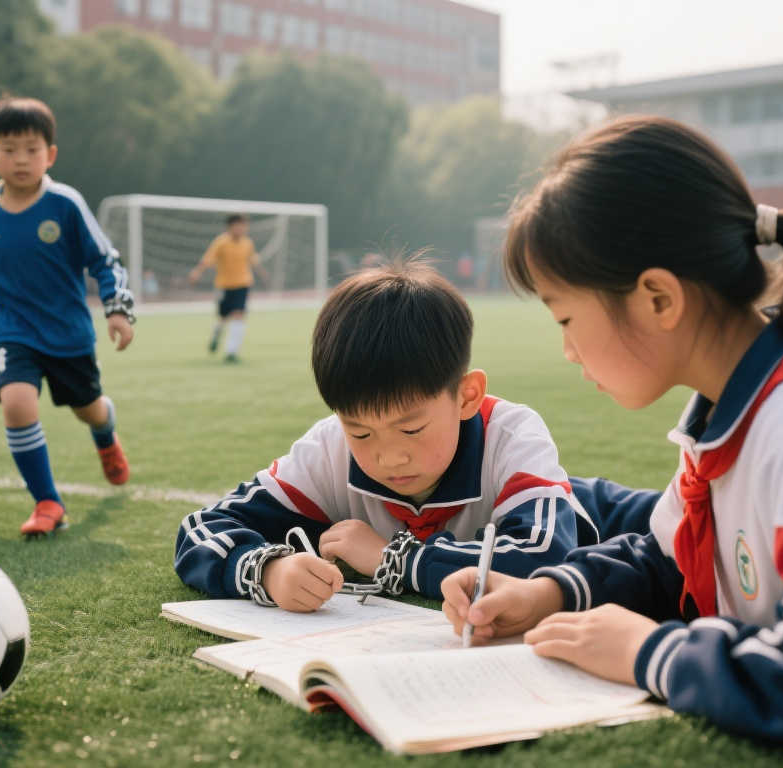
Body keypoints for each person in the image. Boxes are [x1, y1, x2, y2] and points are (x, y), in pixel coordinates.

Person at [440, 116, 783, 751]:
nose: (568, 350)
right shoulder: (732, 412)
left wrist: (654, 655)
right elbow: (668, 557)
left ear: (658, 298)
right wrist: (549, 593)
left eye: (566, 316)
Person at [175, 261, 651, 612]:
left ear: (467, 396)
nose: (389, 457)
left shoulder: (512, 434)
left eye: (412, 428)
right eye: (361, 431)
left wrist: (392, 559)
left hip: (610, 516)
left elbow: (545, 559)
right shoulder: (331, 447)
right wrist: (268, 569)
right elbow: (201, 529)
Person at [0, 96, 137, 537]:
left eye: (32, 149)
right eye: (9, 149)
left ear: (50, 154)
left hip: (68, 335)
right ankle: (48, 502)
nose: (22, 159)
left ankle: (105, 431)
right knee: (16, 403)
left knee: (89, 409)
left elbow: (104, 260)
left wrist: (117, 309)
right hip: (13, 331)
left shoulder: (66, 204)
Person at [187, 214, 266, 363]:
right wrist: (196, 272)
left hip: (243, 284)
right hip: (224, 285)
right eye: (238, 226)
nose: (241, 229)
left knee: (239, 314)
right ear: (230, 227)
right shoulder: (221, 242)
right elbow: (207, 259)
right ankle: (217, 334)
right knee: (223, 317)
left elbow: (253, 260)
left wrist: (262, 273)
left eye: (244, 226)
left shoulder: (247, 243)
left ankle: (231, 352)